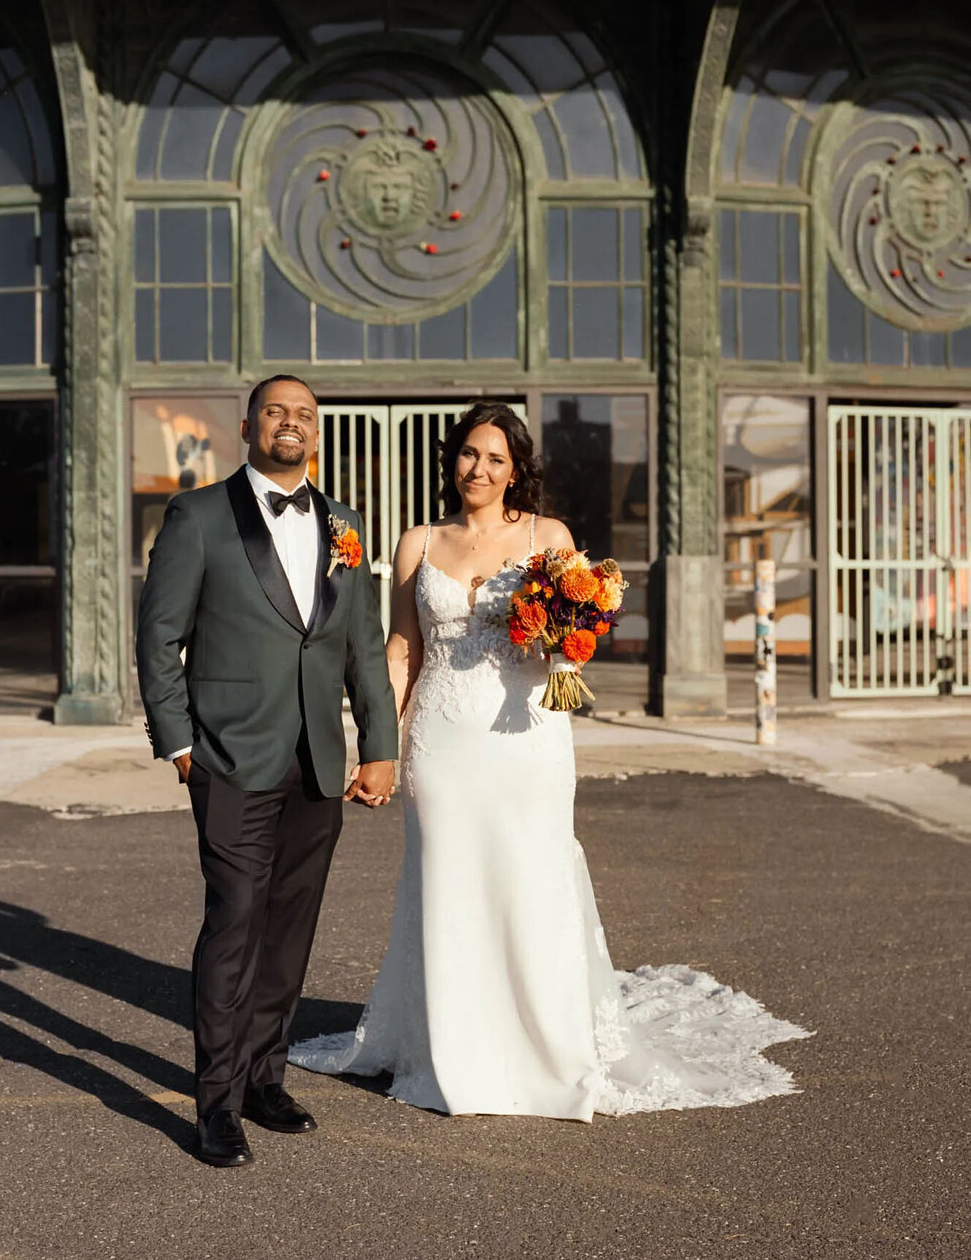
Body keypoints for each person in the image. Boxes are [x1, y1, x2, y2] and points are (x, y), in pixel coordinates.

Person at [290, 401, 811, 1118]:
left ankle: (545, 1044)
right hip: (441, 743)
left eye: (496, 459)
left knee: (530, 881)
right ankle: (455, 1048)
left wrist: (566, 641)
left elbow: (577, 645)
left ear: (517, 470)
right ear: (454, 459)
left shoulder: (548, 536)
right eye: (471, 453)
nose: (480, 468)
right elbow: (404, 648)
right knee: (447, 881)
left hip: (527, 738)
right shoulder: (418, 542)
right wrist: (378, 744)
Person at [136, 375, 397, 1166]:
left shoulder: (345, 524)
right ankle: (215, 1103)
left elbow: (361, 647)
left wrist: (378, 744)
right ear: (248, 424)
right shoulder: (200, 515)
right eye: (277, 411)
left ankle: (264, 1077)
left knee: (290, 931)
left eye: (306, 414)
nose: (292, 423)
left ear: (318, 432)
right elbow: (160, 637)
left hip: (317, 759)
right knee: (234, 924)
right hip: (229, 757)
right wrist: (178, 742)